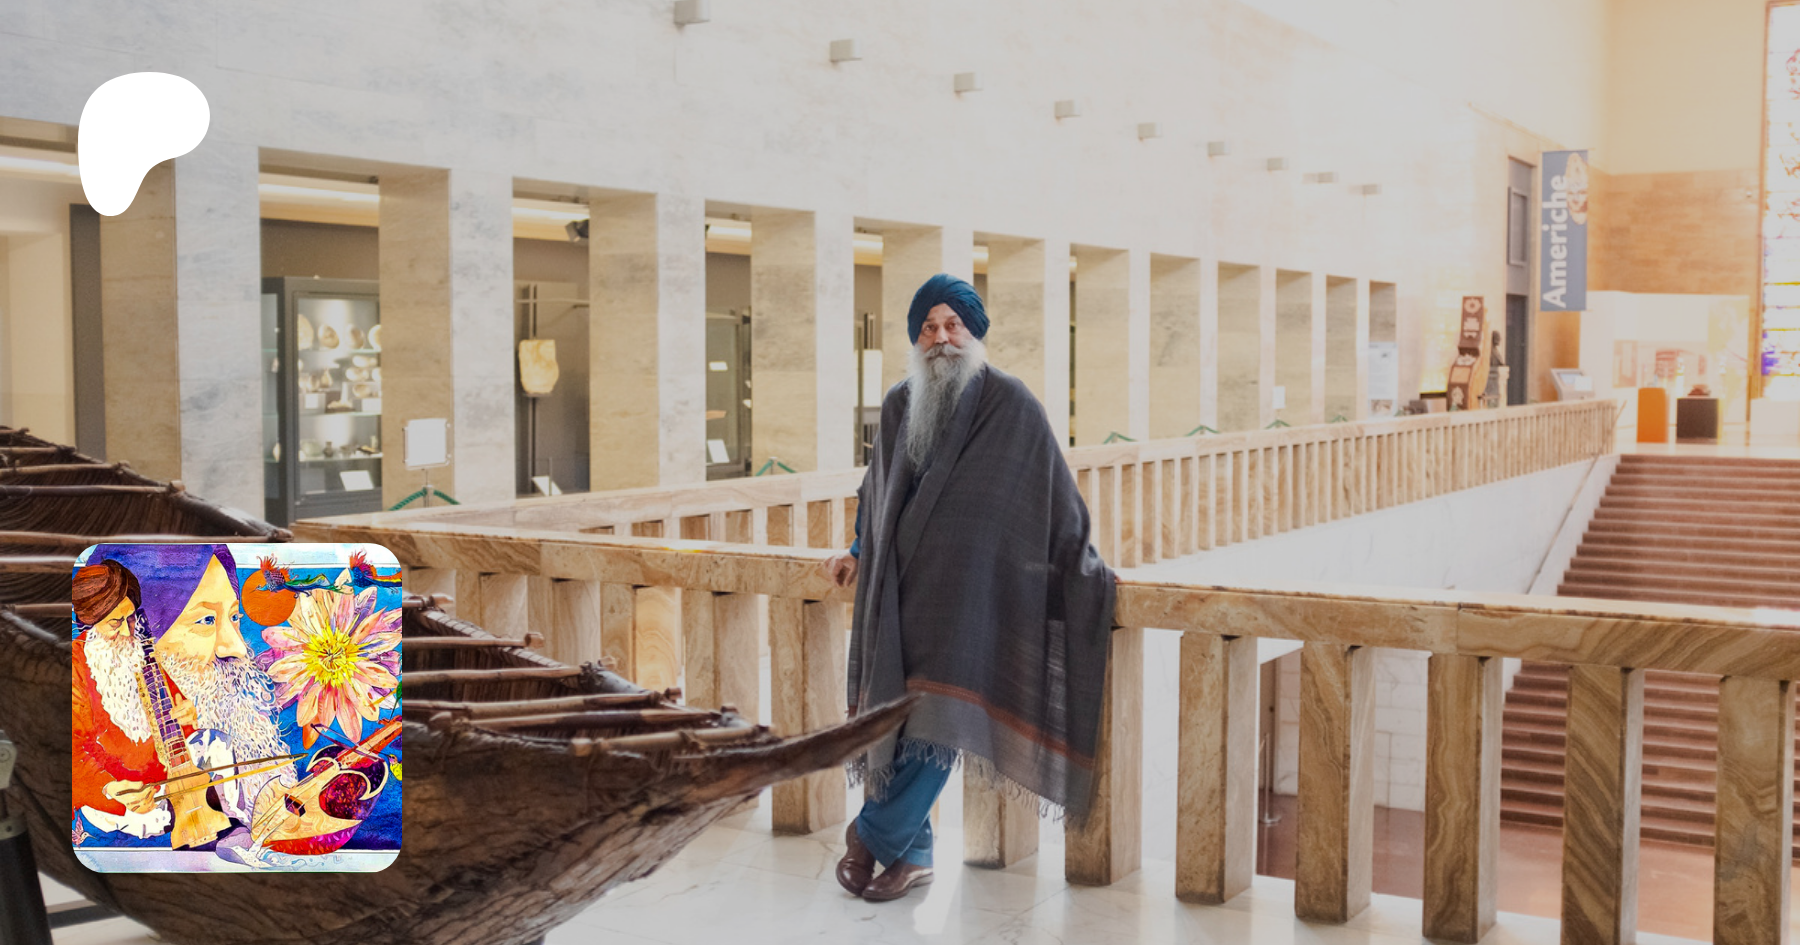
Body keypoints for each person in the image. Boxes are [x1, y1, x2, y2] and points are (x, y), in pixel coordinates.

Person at [821, 273, 1116, 902]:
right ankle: (914, 857)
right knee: (898, 719)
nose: (941, 338)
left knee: (942, 717)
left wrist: (1082, 563)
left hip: (970, 601)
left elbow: (1053, 493)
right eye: (928, 328)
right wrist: (858, 550)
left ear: (974, 332)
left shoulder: (1012, 404)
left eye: (952, 325)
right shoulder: (900, 403)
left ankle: (869, 834)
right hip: (898, 596)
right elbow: (875, 492)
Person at [73, 544, 291, 859]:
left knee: (215, 743)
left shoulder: (139, 652)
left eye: (130, 620)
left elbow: (178, 716)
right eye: (114, 624)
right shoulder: (76, 667)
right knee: (136, 818)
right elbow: (69, 753)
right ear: (91, 623)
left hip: (168, 782)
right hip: (128, 797)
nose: (126, 632)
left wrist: (189, 716)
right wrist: (109, 789)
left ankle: (231, 822)